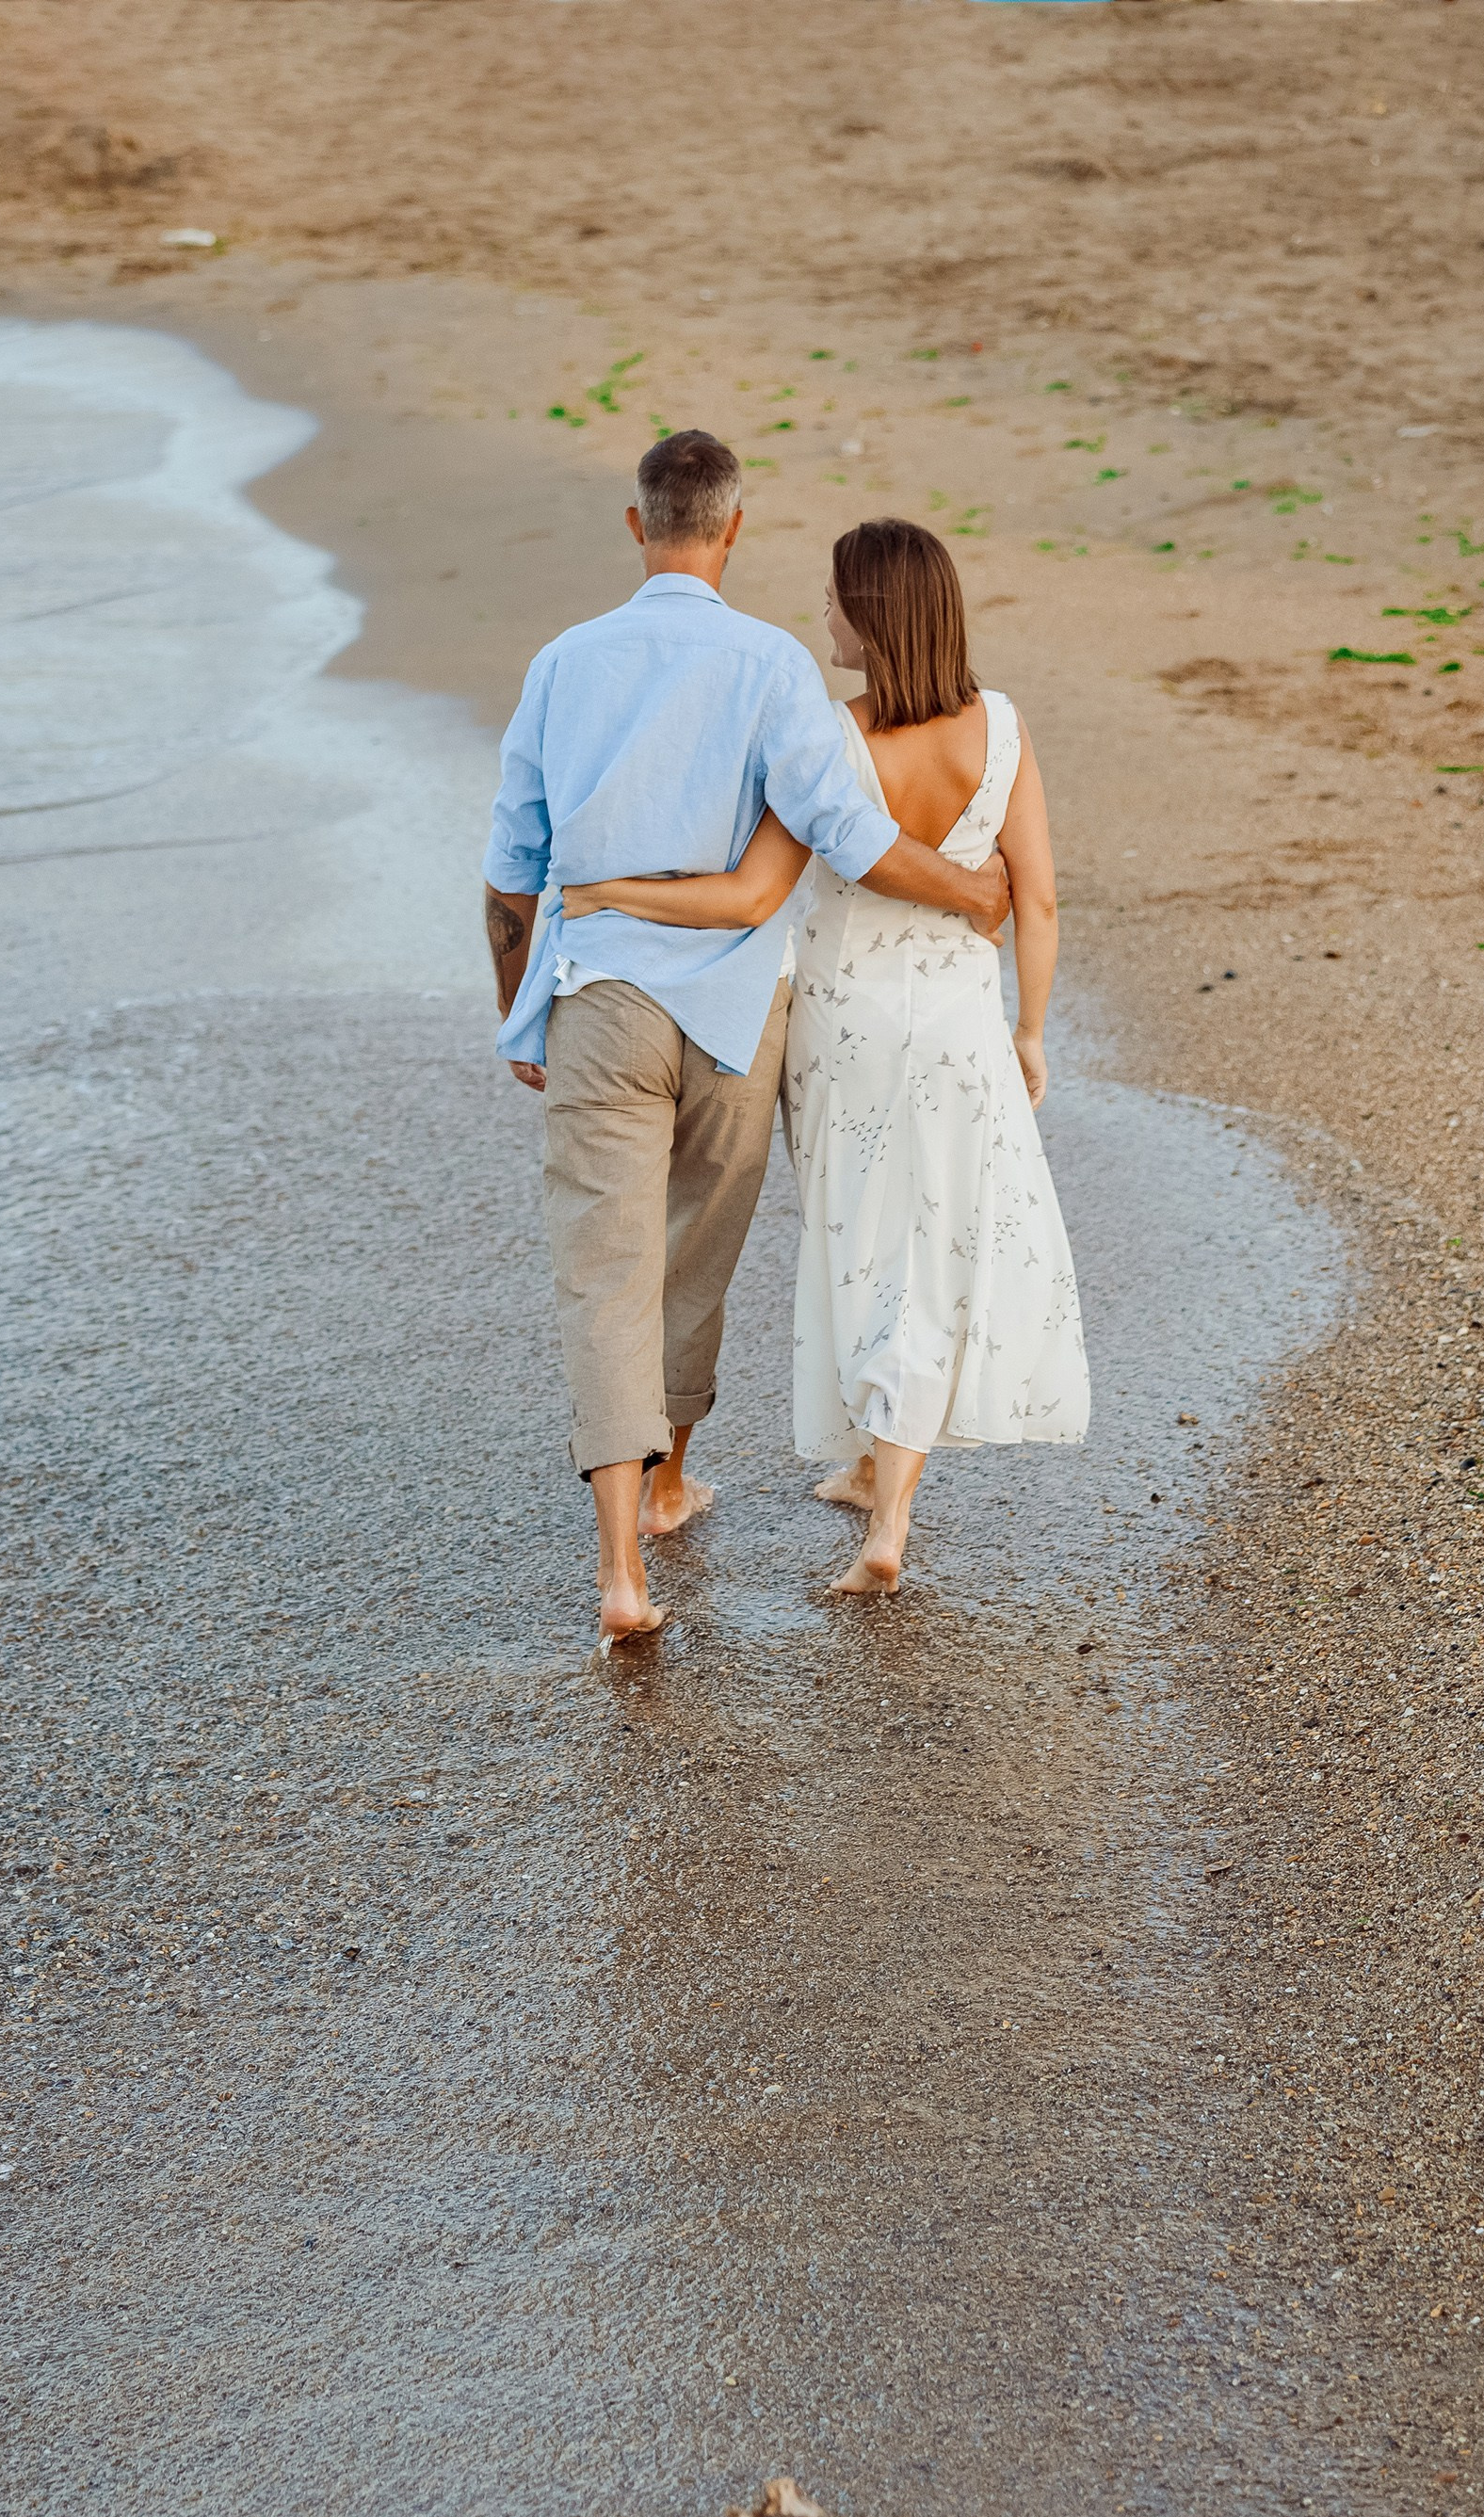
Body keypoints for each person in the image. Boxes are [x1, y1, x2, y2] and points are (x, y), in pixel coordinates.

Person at [483, 437, 1011, 1646]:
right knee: (693, 1258)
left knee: (601, 1274)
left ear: (636, 526)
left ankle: (624, 1570)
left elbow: (511, 870)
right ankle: (669, 1481)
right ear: (731, 531)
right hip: (734, 1018)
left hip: (600, 998)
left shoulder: (563, 664)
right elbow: (851, 835)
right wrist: (972, 895)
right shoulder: (772, 663)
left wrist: (520, 1011)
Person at [559, 515, 1089, 1600]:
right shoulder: (1001, 726)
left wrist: (612, 892)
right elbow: (1032, 896)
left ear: (875, 618)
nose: (826, 618)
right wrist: (1029, 1028)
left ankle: (855, 1479)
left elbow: (752, 894)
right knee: (932, 1251)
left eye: (838, 602)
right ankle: (882, 1503)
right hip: (956, 1024)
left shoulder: (831, 738)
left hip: (841, 1025)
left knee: (863, 1251)